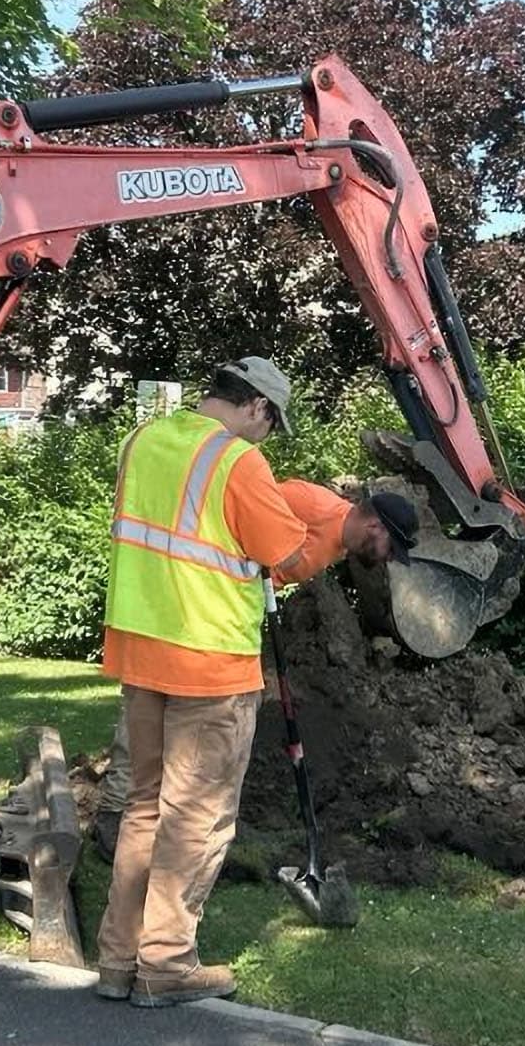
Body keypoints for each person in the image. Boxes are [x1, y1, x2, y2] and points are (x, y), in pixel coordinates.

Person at [95, 358, 403, 1008]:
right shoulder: (237, 462)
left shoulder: (143, 441)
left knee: (145, 808)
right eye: (272, 421)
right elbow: (281, 556)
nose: (269, 435)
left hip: (140, 648)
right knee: (196, 817)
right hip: (208, 661)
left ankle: (119, 959)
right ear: (257, 406)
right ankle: (168, 965)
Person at [90, 481, 419, 857]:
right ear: (375, 526)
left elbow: (271, 568)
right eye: (391, 549)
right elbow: (234, 513)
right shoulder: (308, 503)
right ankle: (114, 817)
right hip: (193, 610)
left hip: (226, 626)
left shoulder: (338, 542)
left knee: (201, 724)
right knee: (150, 706)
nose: (388, 558)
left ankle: (173, 824)